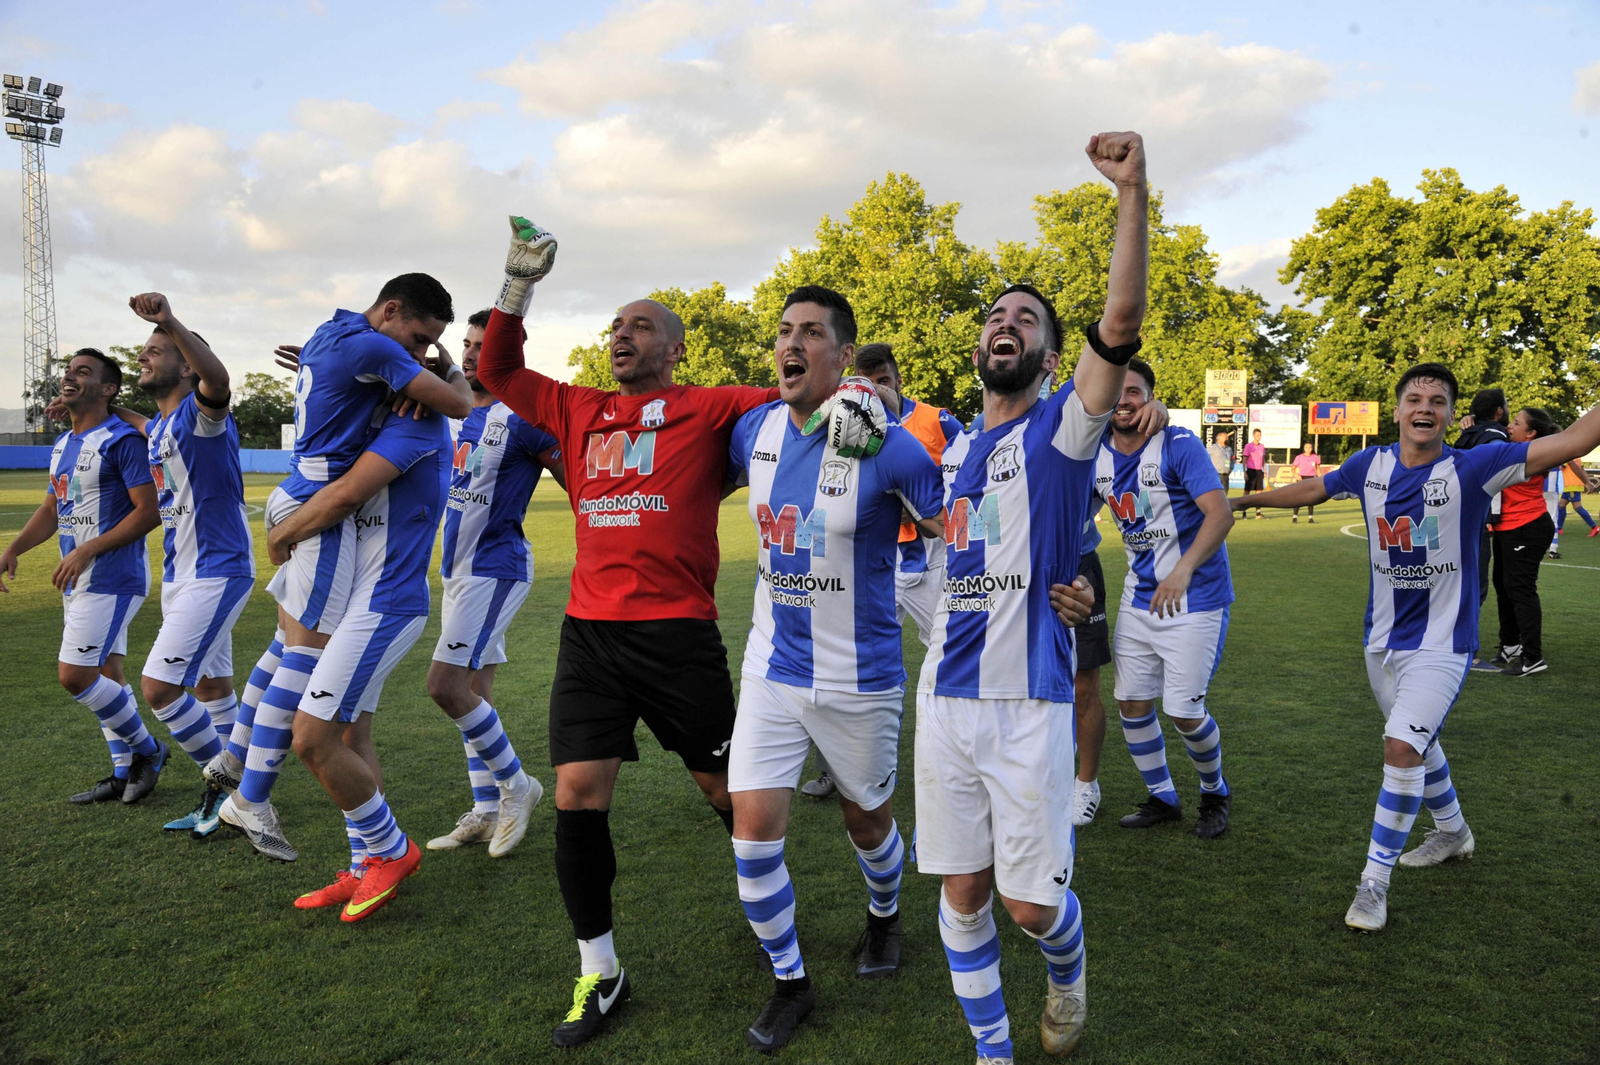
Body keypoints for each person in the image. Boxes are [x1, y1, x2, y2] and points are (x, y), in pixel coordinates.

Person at [474, 218, 888, 1048]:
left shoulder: (709, 409)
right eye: (616, 326)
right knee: (575, 796)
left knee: (725, 796)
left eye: (640, 326)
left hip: (679, 639)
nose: (621, 336)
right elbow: (497, 368)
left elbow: (797, 399)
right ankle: (601, 968)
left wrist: (867, 396)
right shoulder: (575, 406)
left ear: (674, 349)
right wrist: (516, 287)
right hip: (590, 636)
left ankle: (762, 892)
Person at [917, 129, 1146, 1063]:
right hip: (943, 700)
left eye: (1026, 319)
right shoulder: (956, 451)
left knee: (1029, 904)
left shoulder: (1062, 430)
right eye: (995, 315)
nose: (1004, 323)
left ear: (1053, 358)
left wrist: (1131, 194)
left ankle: (1066, 966)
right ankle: (992, 1051)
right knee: (963, 893)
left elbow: (1121, 320)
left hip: (1031, 706)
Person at [1232, 362, 1600, 932]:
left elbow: (1577, 439)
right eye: (1414, 398)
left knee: (1401, 746)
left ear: (1454, 416)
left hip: (1444, 643)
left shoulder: (1477, 466)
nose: (1424, 407)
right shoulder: (1368, 464)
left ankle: (1372, 885)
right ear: (1399, 408)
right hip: (1380, 642)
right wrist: (1242, 503)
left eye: (1437, 400)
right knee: (1418, 744)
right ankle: (1453, 831)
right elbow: (1316, 486)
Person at [722, 287, 945, 1051]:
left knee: (868, 821)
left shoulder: (886, 444)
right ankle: (792, 982)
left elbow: (961, 524)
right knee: (752, 835)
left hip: (862, 676)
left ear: (844, 353)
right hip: (772, 666)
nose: (791, 343)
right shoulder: (755, 428)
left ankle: (885, 914)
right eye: (784, 331)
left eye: (811, 333)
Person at [211, 274, 472, 862]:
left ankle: (242, 772)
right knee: (304, 655)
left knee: (290, 651)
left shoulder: (335, 335)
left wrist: (404, 368)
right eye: (416, 338)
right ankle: (250, 795)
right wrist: (442, 371)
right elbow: (458, 401)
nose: (418, 355)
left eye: (428, 348)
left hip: (306, 498)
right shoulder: (378, 355)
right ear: (392, 309)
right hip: (316, 506)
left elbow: (392, 384)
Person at [266, 387, 453, 921]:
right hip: (360, 605)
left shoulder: (417, 421)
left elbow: (341, 498)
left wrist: (281, 536)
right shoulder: (365, 422)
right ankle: (365, 862)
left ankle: (392, 850)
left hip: (386, 604)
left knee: (310, 737)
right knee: (351, 735)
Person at [425, 309, 564, 857]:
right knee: (473, 693)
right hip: (457, 571)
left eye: (483, 346)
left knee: (445, 686)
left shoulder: (523, 419)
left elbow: (574, 474)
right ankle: (485, 808)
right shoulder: (460, 411)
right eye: (466, 343)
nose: (469, 353)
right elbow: (453, 379)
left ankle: (516, 788)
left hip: (496, 567)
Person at [119, 295, 256, 838]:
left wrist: (170, 322)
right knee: (214, 689)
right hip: (182, 574)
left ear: (185, 361)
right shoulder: (160, 427)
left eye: (157, 350)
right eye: (145, 350)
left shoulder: (202, 417)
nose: (145, 356)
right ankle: (227, 801)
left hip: (216, 571)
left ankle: (235, 792)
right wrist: (100, 410)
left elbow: (219, 381)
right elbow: (141, 424)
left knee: (159, 688)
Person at [1, 350, 163, 804]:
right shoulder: (63, 444)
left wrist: (88, 549)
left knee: (75, 676)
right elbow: (54, 508)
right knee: (109, 674)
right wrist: (13, 549)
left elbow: (149, 512)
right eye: (69, 371)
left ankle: (149, 753)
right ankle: (122, 772)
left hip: (112, 576)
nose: (70, 377)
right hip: (77, 577)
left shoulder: (122, 441)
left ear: (109, 390)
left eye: (83, 372)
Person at [1093, 358, 1236, 839]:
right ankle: (1164, 797)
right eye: (1118, 390)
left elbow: (1219, 515)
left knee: (1184, 710)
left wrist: (1183, 568)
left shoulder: (1177, 443)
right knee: (1131, 703)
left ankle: (1215, 792)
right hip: (1140, 598)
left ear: (1151, 396)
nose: (1124, 400)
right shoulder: (1095, 452)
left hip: (1195, 597)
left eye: (1135, 391)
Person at [1489, 408, 1560, 677]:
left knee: (1520, 590)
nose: (1509, 426)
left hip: (1527, 527)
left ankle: (1533, 657)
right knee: (1504, 586)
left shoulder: (1530, 452)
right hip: (1508, 527)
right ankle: (1511, 645)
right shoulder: (1514, 447)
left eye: (1516, 423)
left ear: (1531, 434)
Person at [1453, 387, 1510, 612]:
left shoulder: (1468, 434)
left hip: (1456, 516)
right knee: (1476, 588)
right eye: (1505, 405)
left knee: (1456, 584)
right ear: (1498, 411)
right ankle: (1462, 644)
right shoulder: (1496, 439)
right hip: (1481, 519)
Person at [1550, 458, 1597, 558]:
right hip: (1572, 485)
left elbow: (1560, 466)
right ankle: (1560, 528)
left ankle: (1594, 527)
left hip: (1572, 485)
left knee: (1577, 507)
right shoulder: (1578, 456)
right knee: (1561, 505)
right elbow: (1582, 469)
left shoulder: (1567, 455)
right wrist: (1587, 482)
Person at [1291, 442, 1320, 523]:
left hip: (1311, 478)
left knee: (1311, 498)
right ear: (1304, 448)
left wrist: (1319, 475)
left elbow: (1317, 468)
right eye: (1306, 447)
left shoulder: (1315, 457)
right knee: (1298, 498)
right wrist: (1296, 475)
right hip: (1301, 478)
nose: (1308, 449)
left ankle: (1310, 518)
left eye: (1310, 447)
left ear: (1312, 448)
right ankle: (1295, 517)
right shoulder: (1299, 457)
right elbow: (1292, 468)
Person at [1242, 428, 1267, 517]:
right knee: (1247, 492)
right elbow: (1244, 460)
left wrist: (1264, 470)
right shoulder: (1248, 446)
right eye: (1257, 435)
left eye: (1260, 435)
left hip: (1259, 471)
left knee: (1259, 492)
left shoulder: (1262, 446)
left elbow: (1263, 459)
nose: (1259, 437)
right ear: (1253, 435)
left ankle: (1258, 513)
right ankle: (1244, 512)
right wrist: (1244, 472)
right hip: (1251, 470)